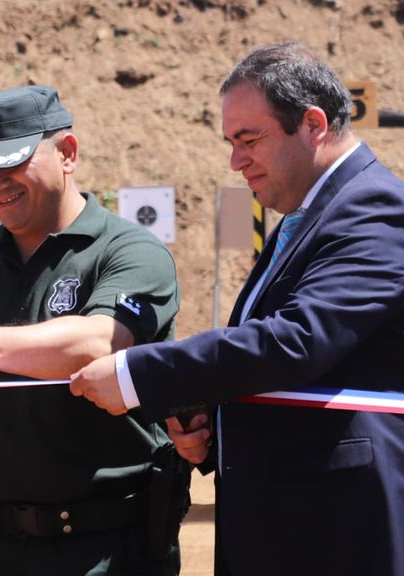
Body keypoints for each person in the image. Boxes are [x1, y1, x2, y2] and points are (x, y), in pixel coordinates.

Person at [70, 42, 404, 575]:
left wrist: (139, 373)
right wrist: (212, 418)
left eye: (249, 139)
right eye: (231, 142)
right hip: (291, 520)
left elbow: (296, 341)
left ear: (313, 123)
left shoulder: (375, 208)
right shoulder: (310, 213)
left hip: (336, 529)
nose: (235, 160)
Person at [0, 85, 182, 576]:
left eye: (13, 163)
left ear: (67, 153)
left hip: (106, 547)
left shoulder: (128, 252)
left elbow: (101, 341)